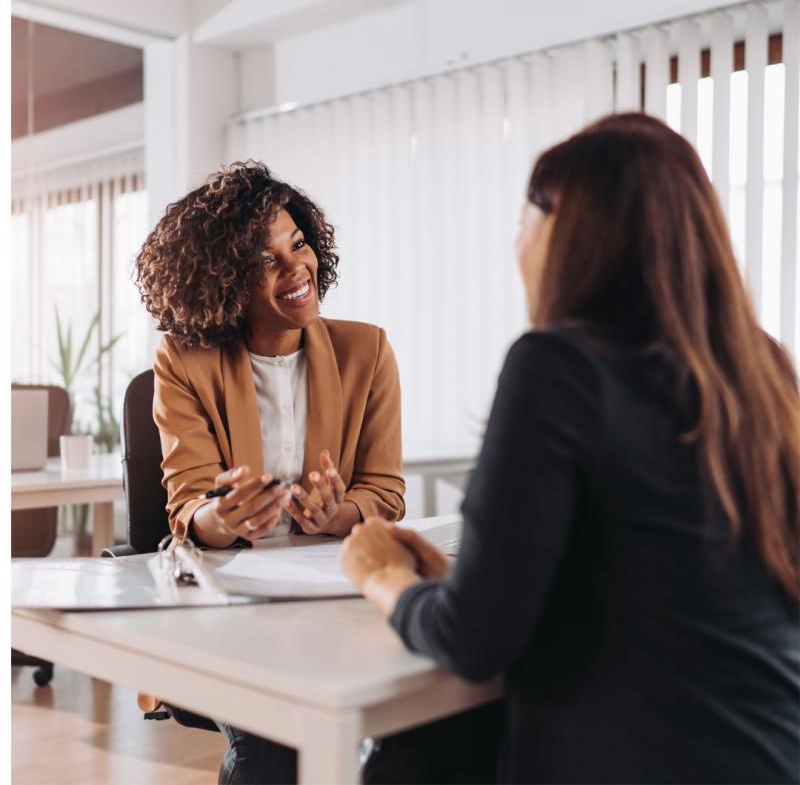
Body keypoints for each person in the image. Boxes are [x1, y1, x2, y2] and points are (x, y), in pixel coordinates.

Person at [343, 113, 800, 784]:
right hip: (773, 752)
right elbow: (670, 585)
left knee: (409, 759)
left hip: (645, 761)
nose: (515, 242)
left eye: (524, 218)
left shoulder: (557, 366)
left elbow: (472, 643)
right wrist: (470, 583)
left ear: (568, 230)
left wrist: (381, 574)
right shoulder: (760, 369)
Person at [135, 161, 405, 784]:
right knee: (275, 744)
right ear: (222, 278)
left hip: (334, 600)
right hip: (230, 608)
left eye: (299, 245)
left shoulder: (367, 351)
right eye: (265, 259)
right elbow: (187, 510)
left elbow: (385, 491)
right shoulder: (185, 360)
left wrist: (340, 513)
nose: (295, 271)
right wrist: (224, 517)